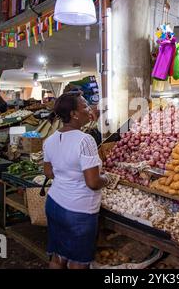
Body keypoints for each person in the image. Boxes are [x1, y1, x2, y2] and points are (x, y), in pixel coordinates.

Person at [43, 91, 109, 269]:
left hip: (54, 204)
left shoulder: (49, 140)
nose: (89, 109)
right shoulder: (85, 140)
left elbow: (48, 172)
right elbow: (93, 183)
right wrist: (107, 178)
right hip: (78, 211)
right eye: (85, 106)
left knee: (57, 256)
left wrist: (68, 175)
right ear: (73, 114)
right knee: (77, 262)